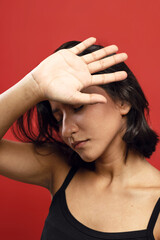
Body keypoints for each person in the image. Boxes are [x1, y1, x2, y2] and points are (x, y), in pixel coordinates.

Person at [0, 37, 160, 240]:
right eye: (59, 119)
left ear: (123, 102)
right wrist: (34, 85)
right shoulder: (58, 168)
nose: (66, 130)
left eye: (78, 107)